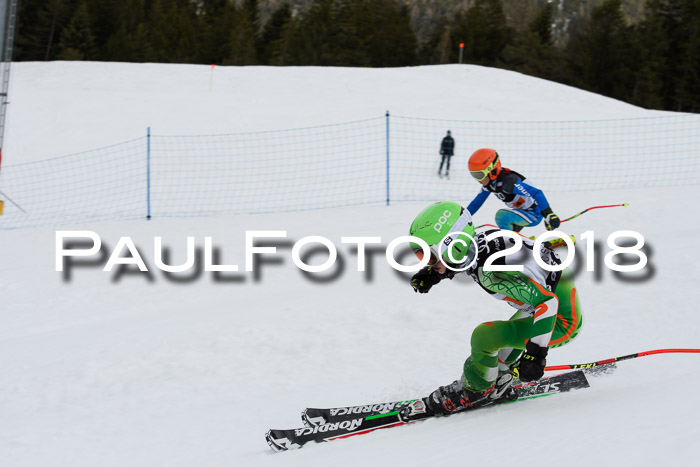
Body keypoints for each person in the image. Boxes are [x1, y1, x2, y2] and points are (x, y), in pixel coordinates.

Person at [404, 201, 583, 418]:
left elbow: (548, 304)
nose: (428, 262)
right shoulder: (479, 241)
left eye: (429, 256)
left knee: (485, 337)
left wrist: (536, 356)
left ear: (454, 247)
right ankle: (500, 380)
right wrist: (436, 273)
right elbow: (470, 260)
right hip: (545, 298)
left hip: (560, 319)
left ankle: (475, 390)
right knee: (498, 361)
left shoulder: (492, 272)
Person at [466, 148, 561, 232]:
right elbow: (476, 203)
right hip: (521, 211)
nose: (478, 180)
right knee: (503, 222)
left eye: (479, 175)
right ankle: (514, 241)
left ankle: (509, 244)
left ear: (492, 171)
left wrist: (548, 214)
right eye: (474, 176)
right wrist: (462, 219)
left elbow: (537, 193)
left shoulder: (509, 182)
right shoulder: (490, 184)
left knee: (502, 217)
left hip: (533, 214)